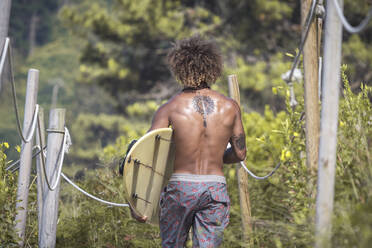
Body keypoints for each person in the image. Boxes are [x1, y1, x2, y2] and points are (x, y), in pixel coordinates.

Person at [131, 35, 246, 248]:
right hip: (215, 188)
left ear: (180, 69)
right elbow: (240, 153)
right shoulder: (230, 107)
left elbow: (147, 154)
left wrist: (137, 203)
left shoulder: (170, 108)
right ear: (212, 67)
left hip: (181, 188)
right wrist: (216, 157)